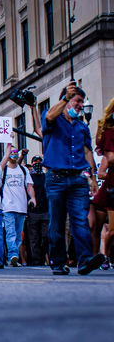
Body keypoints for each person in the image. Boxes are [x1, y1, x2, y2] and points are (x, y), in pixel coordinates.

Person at [41, 82, 105, 275]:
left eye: (81, 101)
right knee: (56, 222)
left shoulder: (82, 127)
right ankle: (58, 261)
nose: (80, 105)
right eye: (77, 101)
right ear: (68, 100)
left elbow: (87, 152)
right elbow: (50, 116)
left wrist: (92, 178)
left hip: (78, 179)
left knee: (80, 220)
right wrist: (65, 98)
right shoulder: (52, 117)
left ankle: (85, 260)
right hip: (56, 179)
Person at [0, 145, 37, 267]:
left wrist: (33, 198)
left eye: (15, 152)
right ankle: (12, 255)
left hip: (21, 207)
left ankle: (13, 254)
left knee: (18, 234)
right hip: (8, 207)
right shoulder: (3, 170)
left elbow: (29, 185)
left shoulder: (23, 170)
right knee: (10, 233)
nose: (13, 154)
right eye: (11, 152)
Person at [91, 97, 114, 267]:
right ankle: (103, 256)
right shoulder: (109, 134)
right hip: (112, 187)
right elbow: (106, 165)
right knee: (110, 229)